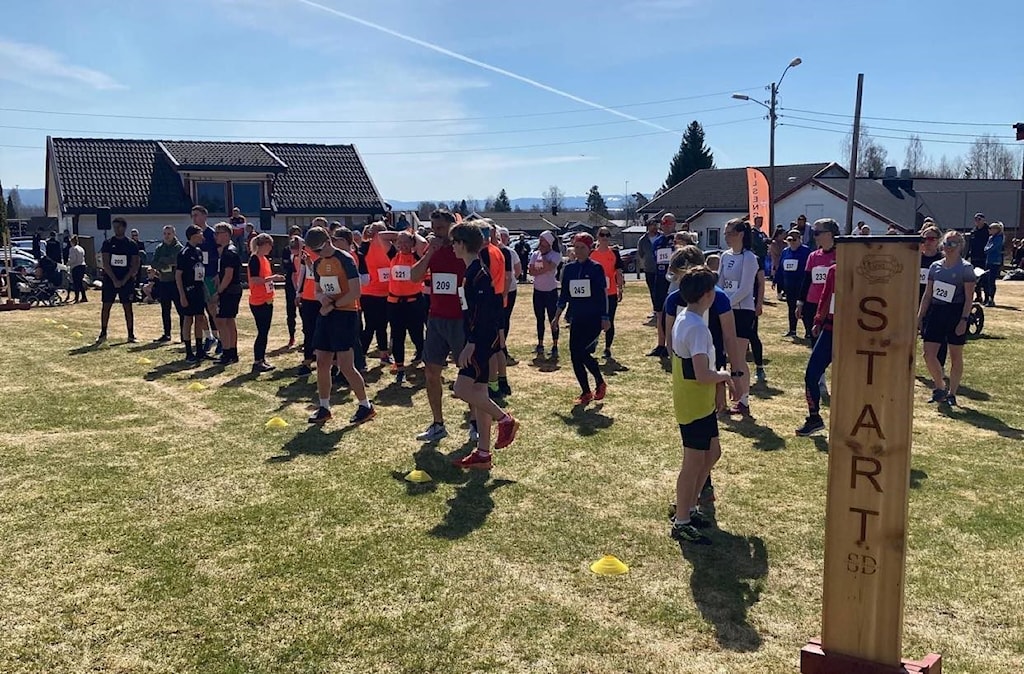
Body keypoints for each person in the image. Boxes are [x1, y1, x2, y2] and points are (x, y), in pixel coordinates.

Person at [669, 266, 732, 544]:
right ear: (708, 295)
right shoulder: (696, 327)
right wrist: (725, 376)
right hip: (693, 404)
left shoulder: (688, 318)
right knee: (693, 463)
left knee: (712, 454)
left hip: (699, 402)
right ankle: (682, 520)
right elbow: (702, 374)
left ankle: (689, 506)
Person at [449, 221, 519, 469]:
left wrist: (471, 343)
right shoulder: (471, 271)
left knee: (461, 389)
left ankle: (505, 420)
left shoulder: (477, 273)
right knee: (479, 394)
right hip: (479, 339)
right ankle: (483, 454)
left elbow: (483, 313)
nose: (452, 247)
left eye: (454, 242)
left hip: (479, 341)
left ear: (462, 244)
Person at [304, 226, 376, 425]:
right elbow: (318, 289)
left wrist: (333, 305)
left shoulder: (345, 259)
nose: (317, 254)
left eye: (319, 249)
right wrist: (322, 300)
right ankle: (324, 407)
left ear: (328, 241)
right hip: (327, 314)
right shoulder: (318, 263)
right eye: (314, 251)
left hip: (345, 315)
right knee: (322, 362)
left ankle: (365, 405)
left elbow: (355, 292)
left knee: (346, 365)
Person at [409, 209, 468, 443]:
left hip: (461, 319)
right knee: (431, 372)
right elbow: (414, 277)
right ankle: (438, 424)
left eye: (441, 228)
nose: (436, 232)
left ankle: (475, 423)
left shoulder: (462, 249)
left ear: (452, 227)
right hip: (436, 318)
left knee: (468, 373)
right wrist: (430, 253)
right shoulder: (432, 250)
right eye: (433, 228)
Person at [919, 230, 975, 408]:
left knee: (955, 355)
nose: (949, 247)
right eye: (946, 243)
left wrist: (964, 320)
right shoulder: (935, 267)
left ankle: (952, 393)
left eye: (953, 244)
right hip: (936, 312)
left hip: (955, 312)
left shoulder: (966, 268)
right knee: (928, 354)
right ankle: (940, 386)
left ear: (960, 246)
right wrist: (920, 315)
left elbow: (969, 298)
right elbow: (928, 294)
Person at [552, 233, 609, 405]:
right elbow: (564, 295)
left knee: (582, 352)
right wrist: (556, 317)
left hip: (593, 318)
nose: (578, 251)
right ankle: (585, 392)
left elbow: (602, 295)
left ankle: (599, 381)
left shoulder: (596, 268)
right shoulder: (569, 269)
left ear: (589, 249)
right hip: (576, 317)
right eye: (576, 247)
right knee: (574, 355)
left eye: (582, 248)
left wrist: (605, 317)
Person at [718, 218, 759, 416]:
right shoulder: (725, 256)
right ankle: (727, 397)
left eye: (730, 233)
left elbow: (745, 289)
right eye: (725, 233)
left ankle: (743, 399)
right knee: (726, 355)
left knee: (738, 357)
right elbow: (720, 282)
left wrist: (726, 303)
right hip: (726, 309)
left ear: (741, 234)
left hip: (742, 311)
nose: (726, 237)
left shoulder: (749, 258)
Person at [796, 264, 837, 436]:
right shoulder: (834, 270)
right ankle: (814, 418)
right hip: (830, 330)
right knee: (811, 374)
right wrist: (818, 320)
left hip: (855, 333)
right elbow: (826, 296)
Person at [387, 231, 426, 383]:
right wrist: (400, 234)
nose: (402, 245)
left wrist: (412, 233)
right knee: (397, 335)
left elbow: (423, 243)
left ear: (412, 243)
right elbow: (382, 236)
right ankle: (400, 367)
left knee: (416, 333)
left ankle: (421, 352)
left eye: (406, 242)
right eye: (400, 242)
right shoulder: (393, 255)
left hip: (414, 302)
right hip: (395, 303)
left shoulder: (417, 256)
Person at [96, 217, 140, 344]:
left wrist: (124, 280)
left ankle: (131, 334)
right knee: (106, 306)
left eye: (118, 227)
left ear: (124, 227)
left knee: (128, 307)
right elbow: (106, 263)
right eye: (114, 227)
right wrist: (114, 280)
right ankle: (103, 333)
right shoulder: (108, 243)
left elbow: (134, 265)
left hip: (126, 280)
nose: (116, 229)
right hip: (110, 280)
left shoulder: (131, 245)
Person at [797, 218, 839, 342]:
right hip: (812, 304)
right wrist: (800, 303)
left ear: (829, 234)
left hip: (831, 306)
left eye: (817, 233)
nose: (814, 236)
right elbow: (807, 280)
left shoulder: (841, 255)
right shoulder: (813, 256)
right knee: (814, 341)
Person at [248, 233, 284, 372]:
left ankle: (261, 359)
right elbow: (255, 280)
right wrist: (272, 278)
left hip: (267, 299)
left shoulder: (264, 259)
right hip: (259, 301)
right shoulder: (254, 259)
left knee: (264, 331)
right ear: (263, 245)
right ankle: (258, 361)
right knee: (262, 332)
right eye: (270, 245)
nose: (271, 248)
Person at [176, 225, 210, 363]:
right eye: (200, 234)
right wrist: (182, 295)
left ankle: (200, 350)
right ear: (193, 235)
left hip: (198, 289)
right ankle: (189, 352)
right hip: (188, 290)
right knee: (188, 319)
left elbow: (201, 272)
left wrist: (205, 289)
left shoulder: (199, 251)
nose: (202, 236)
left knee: (199, 318)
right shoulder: (184, 253)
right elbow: (178, 275)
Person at [590, 227, 624, 359]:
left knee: (609, 320)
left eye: (607, 235)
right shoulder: (592, 253)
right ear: (597, 237)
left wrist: (620, 288)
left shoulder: (614, 253)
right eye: (602, 235)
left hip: (610, 293)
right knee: (595, 319)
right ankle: (593, 342)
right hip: (595, 293)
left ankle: (608, 348)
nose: (605, 237)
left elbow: (619, 272)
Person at [212, 223, 243, 365]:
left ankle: (226, 353)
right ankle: (232, 352)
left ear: (226, 234)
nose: (215, 236)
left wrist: (219, 291)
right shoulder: (226, 251)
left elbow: (229, 275)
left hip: (229, 291)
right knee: (229, 321)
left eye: (218, 233)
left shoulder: (229, 252)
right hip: (232, 290)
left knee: (222, 321)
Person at [919, 225, 947, 380]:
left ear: (938, 241)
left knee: (937, 337)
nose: (927, 242)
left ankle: (939, 366)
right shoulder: (915, 258)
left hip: (936, 303)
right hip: (916, 301)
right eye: (924, 238)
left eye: (931, 238)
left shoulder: (942, 261)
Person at [647, 214, 678, 357]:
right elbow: (655, 258)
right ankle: (661, 344)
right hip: (660, 279)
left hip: (674, 281)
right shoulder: (658, 241)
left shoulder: (678, 240)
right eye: (664, 222)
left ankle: (674, 344)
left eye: (669, 222)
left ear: (674, 224)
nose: (666, 225)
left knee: (674, 313)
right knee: (659, 312)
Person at [193, 206, 222, 355]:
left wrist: (218, 272)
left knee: (212, 307)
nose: (194, 218)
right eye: (192, 216)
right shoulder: (194, 234)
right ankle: (208, 337)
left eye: (197, 215)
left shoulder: (211, 234)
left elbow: (219, 253)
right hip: (198, 276)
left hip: (210, 275)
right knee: (199, 309)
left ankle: (221, 338)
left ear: (205, 216)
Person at [529, 230, 562, 358]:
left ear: (549, 242)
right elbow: (531, 271)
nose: (540, 243)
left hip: (550, 291)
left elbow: (550, 267)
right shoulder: (534, 254)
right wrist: (541, 269)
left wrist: (543, 256)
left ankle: (555, 345)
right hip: (538, 291)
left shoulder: (555, 255)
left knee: (552, 318)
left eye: (543, 240)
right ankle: (540, 344)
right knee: (539, 318)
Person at [149, 225, 183, 343]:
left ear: (174, 234)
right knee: (165, 310)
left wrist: (163, 260)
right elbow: (154, 263)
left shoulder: (178, 247)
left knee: (181, 309)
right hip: (163, 282)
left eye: (169, 234)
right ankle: (166, 334)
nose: (167, 236)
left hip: (176, 282)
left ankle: (184, 335)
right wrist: (164, 263)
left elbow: (176, 260)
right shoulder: (159, 248)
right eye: (165, 234)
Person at [295, 237, 320, 376]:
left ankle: (332, 364)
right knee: (308, 331)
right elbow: (302, 271)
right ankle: (307, 361)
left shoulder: (327, 251)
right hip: (309, 296)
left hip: (323, 296)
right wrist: (298, 292)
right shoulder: (306, 250)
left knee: (324, 330)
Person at [778, 230, 811, 336]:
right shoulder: (785, 252)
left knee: (804, 308)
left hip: (801, 285)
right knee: (791, 307)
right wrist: (778, 281)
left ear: (799, 239)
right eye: (789, 240)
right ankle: (792, 330)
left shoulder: (806, 251)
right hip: (789, 285)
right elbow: (781, 268)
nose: (792, 242)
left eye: (794, 240)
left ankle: (808, 331)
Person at [281, 225, 301, 348]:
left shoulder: (304, 252)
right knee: (290, 311)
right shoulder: (287, 250)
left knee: (304, 312)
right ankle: (291, 336)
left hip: (302, 283)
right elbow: (286, 266)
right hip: (290, 283)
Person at [637, 218, 660, 324]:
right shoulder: (643, 240)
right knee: (652, 291)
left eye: (656, 225)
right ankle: (655, 310)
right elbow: (641, 254)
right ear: (648, 226)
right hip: (649, 269)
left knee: (660, 290)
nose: (654, 227)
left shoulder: (662, 237)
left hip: (661, 269)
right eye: (652, 225)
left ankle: (662, 309)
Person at [967, 213, 988, 303]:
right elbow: (970, 245)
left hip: (984, 258)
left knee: (985, 278)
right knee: (975, 278)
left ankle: (987, 297)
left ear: (983, 220)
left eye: (979, 219)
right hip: (974, 257)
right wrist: (968, 255)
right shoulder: (973, 231)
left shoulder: (987, 231)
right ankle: (978, 296)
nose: (977, 221)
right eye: (976, 219)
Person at [983, 222, 1004, 307]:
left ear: (996, 230)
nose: (989, 230)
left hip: (995, 261)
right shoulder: (990, 238)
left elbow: (993, 248)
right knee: (986, 280)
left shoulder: (999, 238)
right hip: (988, 261)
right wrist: (987, 249)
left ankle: (991, 299)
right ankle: (987, 298)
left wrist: (987, 249)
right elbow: (986, 248)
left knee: (991, 280)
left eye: (991, 228)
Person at [68, 235, 87, 303]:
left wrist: (68, 263)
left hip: (76, 267)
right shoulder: (81, 248)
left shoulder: (72, 249)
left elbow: (73, 259)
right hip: (82, 265)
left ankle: (76, 298)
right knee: (80, 282)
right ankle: (84, 297)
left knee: (76, 283)